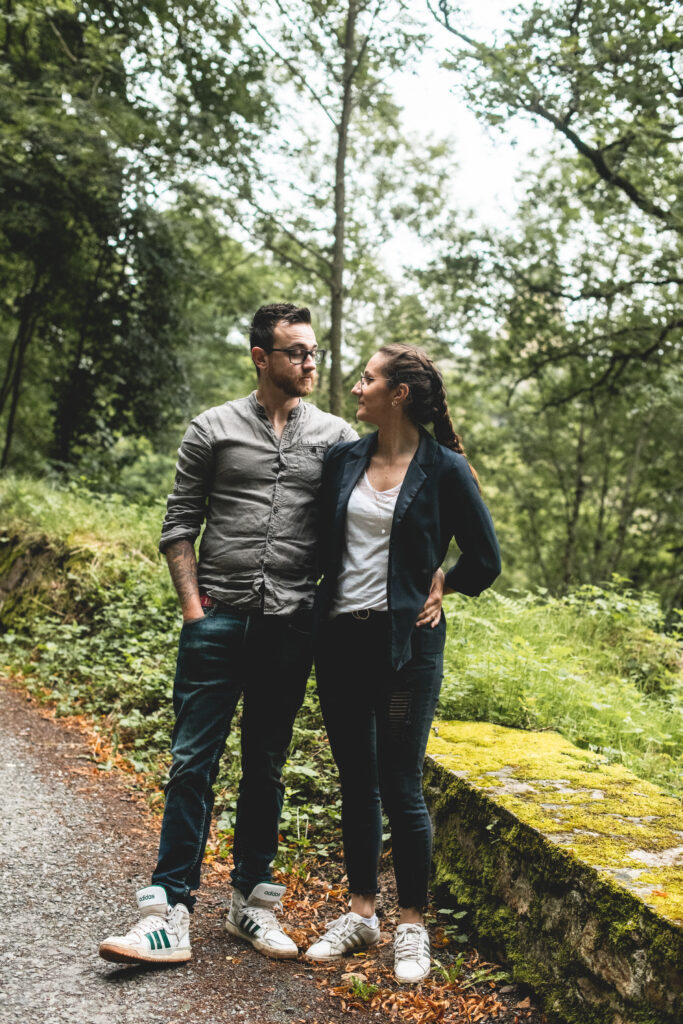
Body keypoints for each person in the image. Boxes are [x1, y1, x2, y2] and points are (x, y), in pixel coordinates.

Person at [98, 303, 360, 965]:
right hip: (216, 622)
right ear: (259, 356)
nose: (309, 363)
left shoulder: (334, 437)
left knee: (266, 765)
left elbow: (366, 521)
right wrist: (195, 612)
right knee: (192, 763)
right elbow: (178, 525)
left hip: (290, 626)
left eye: (312, 352)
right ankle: (169, 910)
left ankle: (251, 904)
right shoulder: (211, 428)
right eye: (295, 352)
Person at [304, 344, 501, 983]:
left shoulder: (444, 470)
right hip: (339, 642)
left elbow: (486, 559)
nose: (356, 387)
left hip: (407, 651)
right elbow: (316, 544)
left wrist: (446, 582)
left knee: (400, 781)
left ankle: (412, 925)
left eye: (367, 378)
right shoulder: (344, 459)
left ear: (400, 394)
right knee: (355, 780)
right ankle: (362, 915)